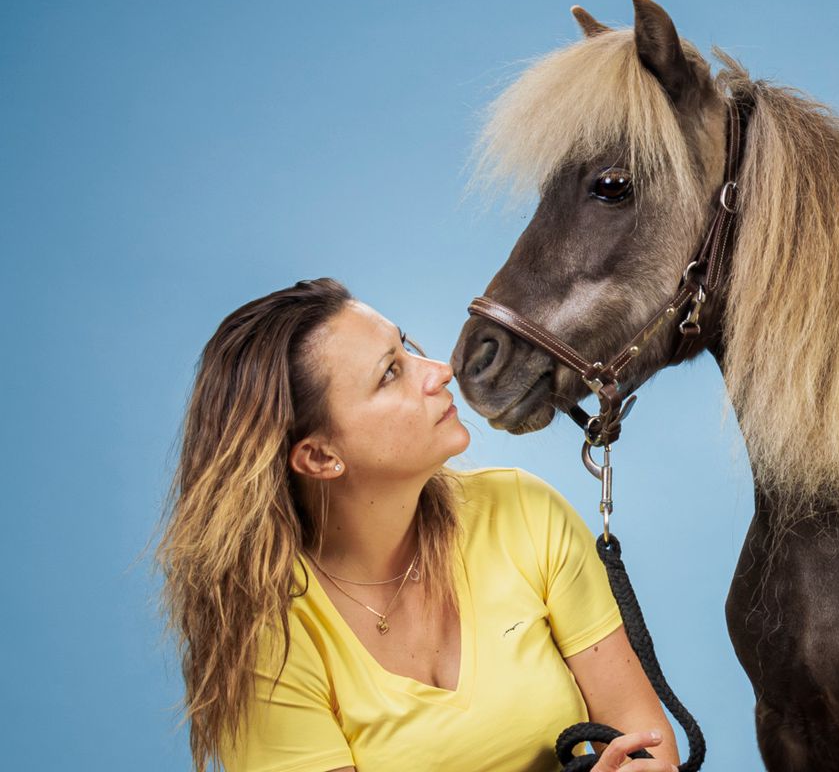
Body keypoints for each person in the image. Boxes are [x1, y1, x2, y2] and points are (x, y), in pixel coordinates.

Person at [156, 278, 679, 772]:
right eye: (390, 372)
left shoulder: (523, 510)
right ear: (319, 457)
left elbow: (641, 732)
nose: (440, 370)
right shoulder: (269, 638)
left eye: (406, 346)